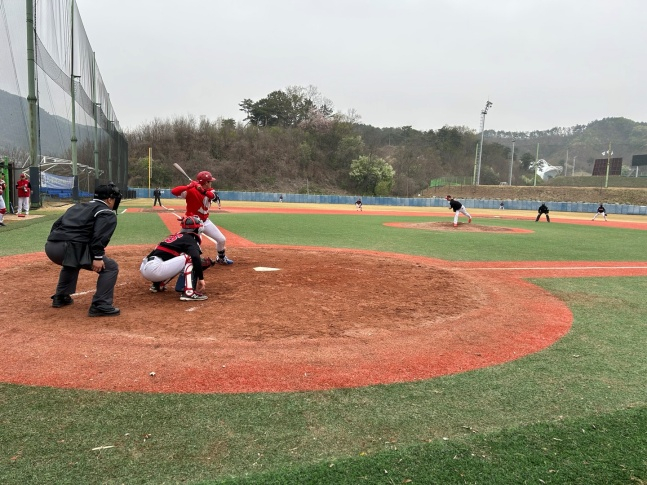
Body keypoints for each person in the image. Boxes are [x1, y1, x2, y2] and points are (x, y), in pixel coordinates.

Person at [45, 183, 122, 317]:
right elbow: (100, 237)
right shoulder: (106, 212)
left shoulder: (78, 206)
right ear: (109, 199)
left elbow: (56, 224)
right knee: (111, 267)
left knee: (72, 261)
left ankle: (61, 296)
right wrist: (97, 257)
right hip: (68, 248)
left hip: (51, 247)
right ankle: (100, 304)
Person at [140, 215, 214, 301]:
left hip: (145, 267)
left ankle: (158, 284)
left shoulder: (176, 237)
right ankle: (188, 293)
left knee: (179, 258)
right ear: (196, 229)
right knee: (190, 258)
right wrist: (201, 279)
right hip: (155, 269)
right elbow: (195, 257)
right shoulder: (189, 239)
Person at [171, 170, 233, 265]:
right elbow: (174, 192)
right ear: (206, 182)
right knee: (193, 244)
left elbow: (214, 197)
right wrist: (189, 186)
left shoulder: (210, 191)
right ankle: (182, 261)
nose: (211, 183)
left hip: (205, 221)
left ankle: (221, 258)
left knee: (221, 240)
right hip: (192, 223)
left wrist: (202, 190)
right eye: (210, 181)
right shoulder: (190, 190)